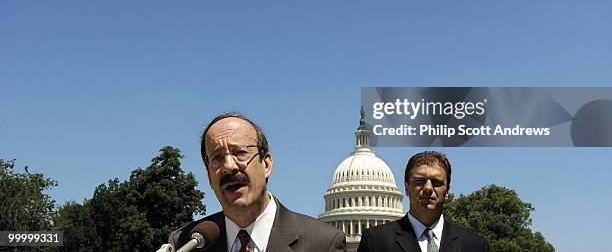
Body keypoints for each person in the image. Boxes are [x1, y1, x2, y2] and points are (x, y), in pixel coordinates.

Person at [167, 112, 346, 252]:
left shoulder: (323, 243)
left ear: (266, 164)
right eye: (217, 158)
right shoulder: (186, 243)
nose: (229, 166)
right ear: (209, 177)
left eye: (240, 153)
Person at [357, 151, 490, 252]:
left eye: (436, 182)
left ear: (447, 191)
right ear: (407, 188)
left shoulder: (475, 246)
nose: (428, 188)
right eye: (419, 181)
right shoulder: (376, 242)